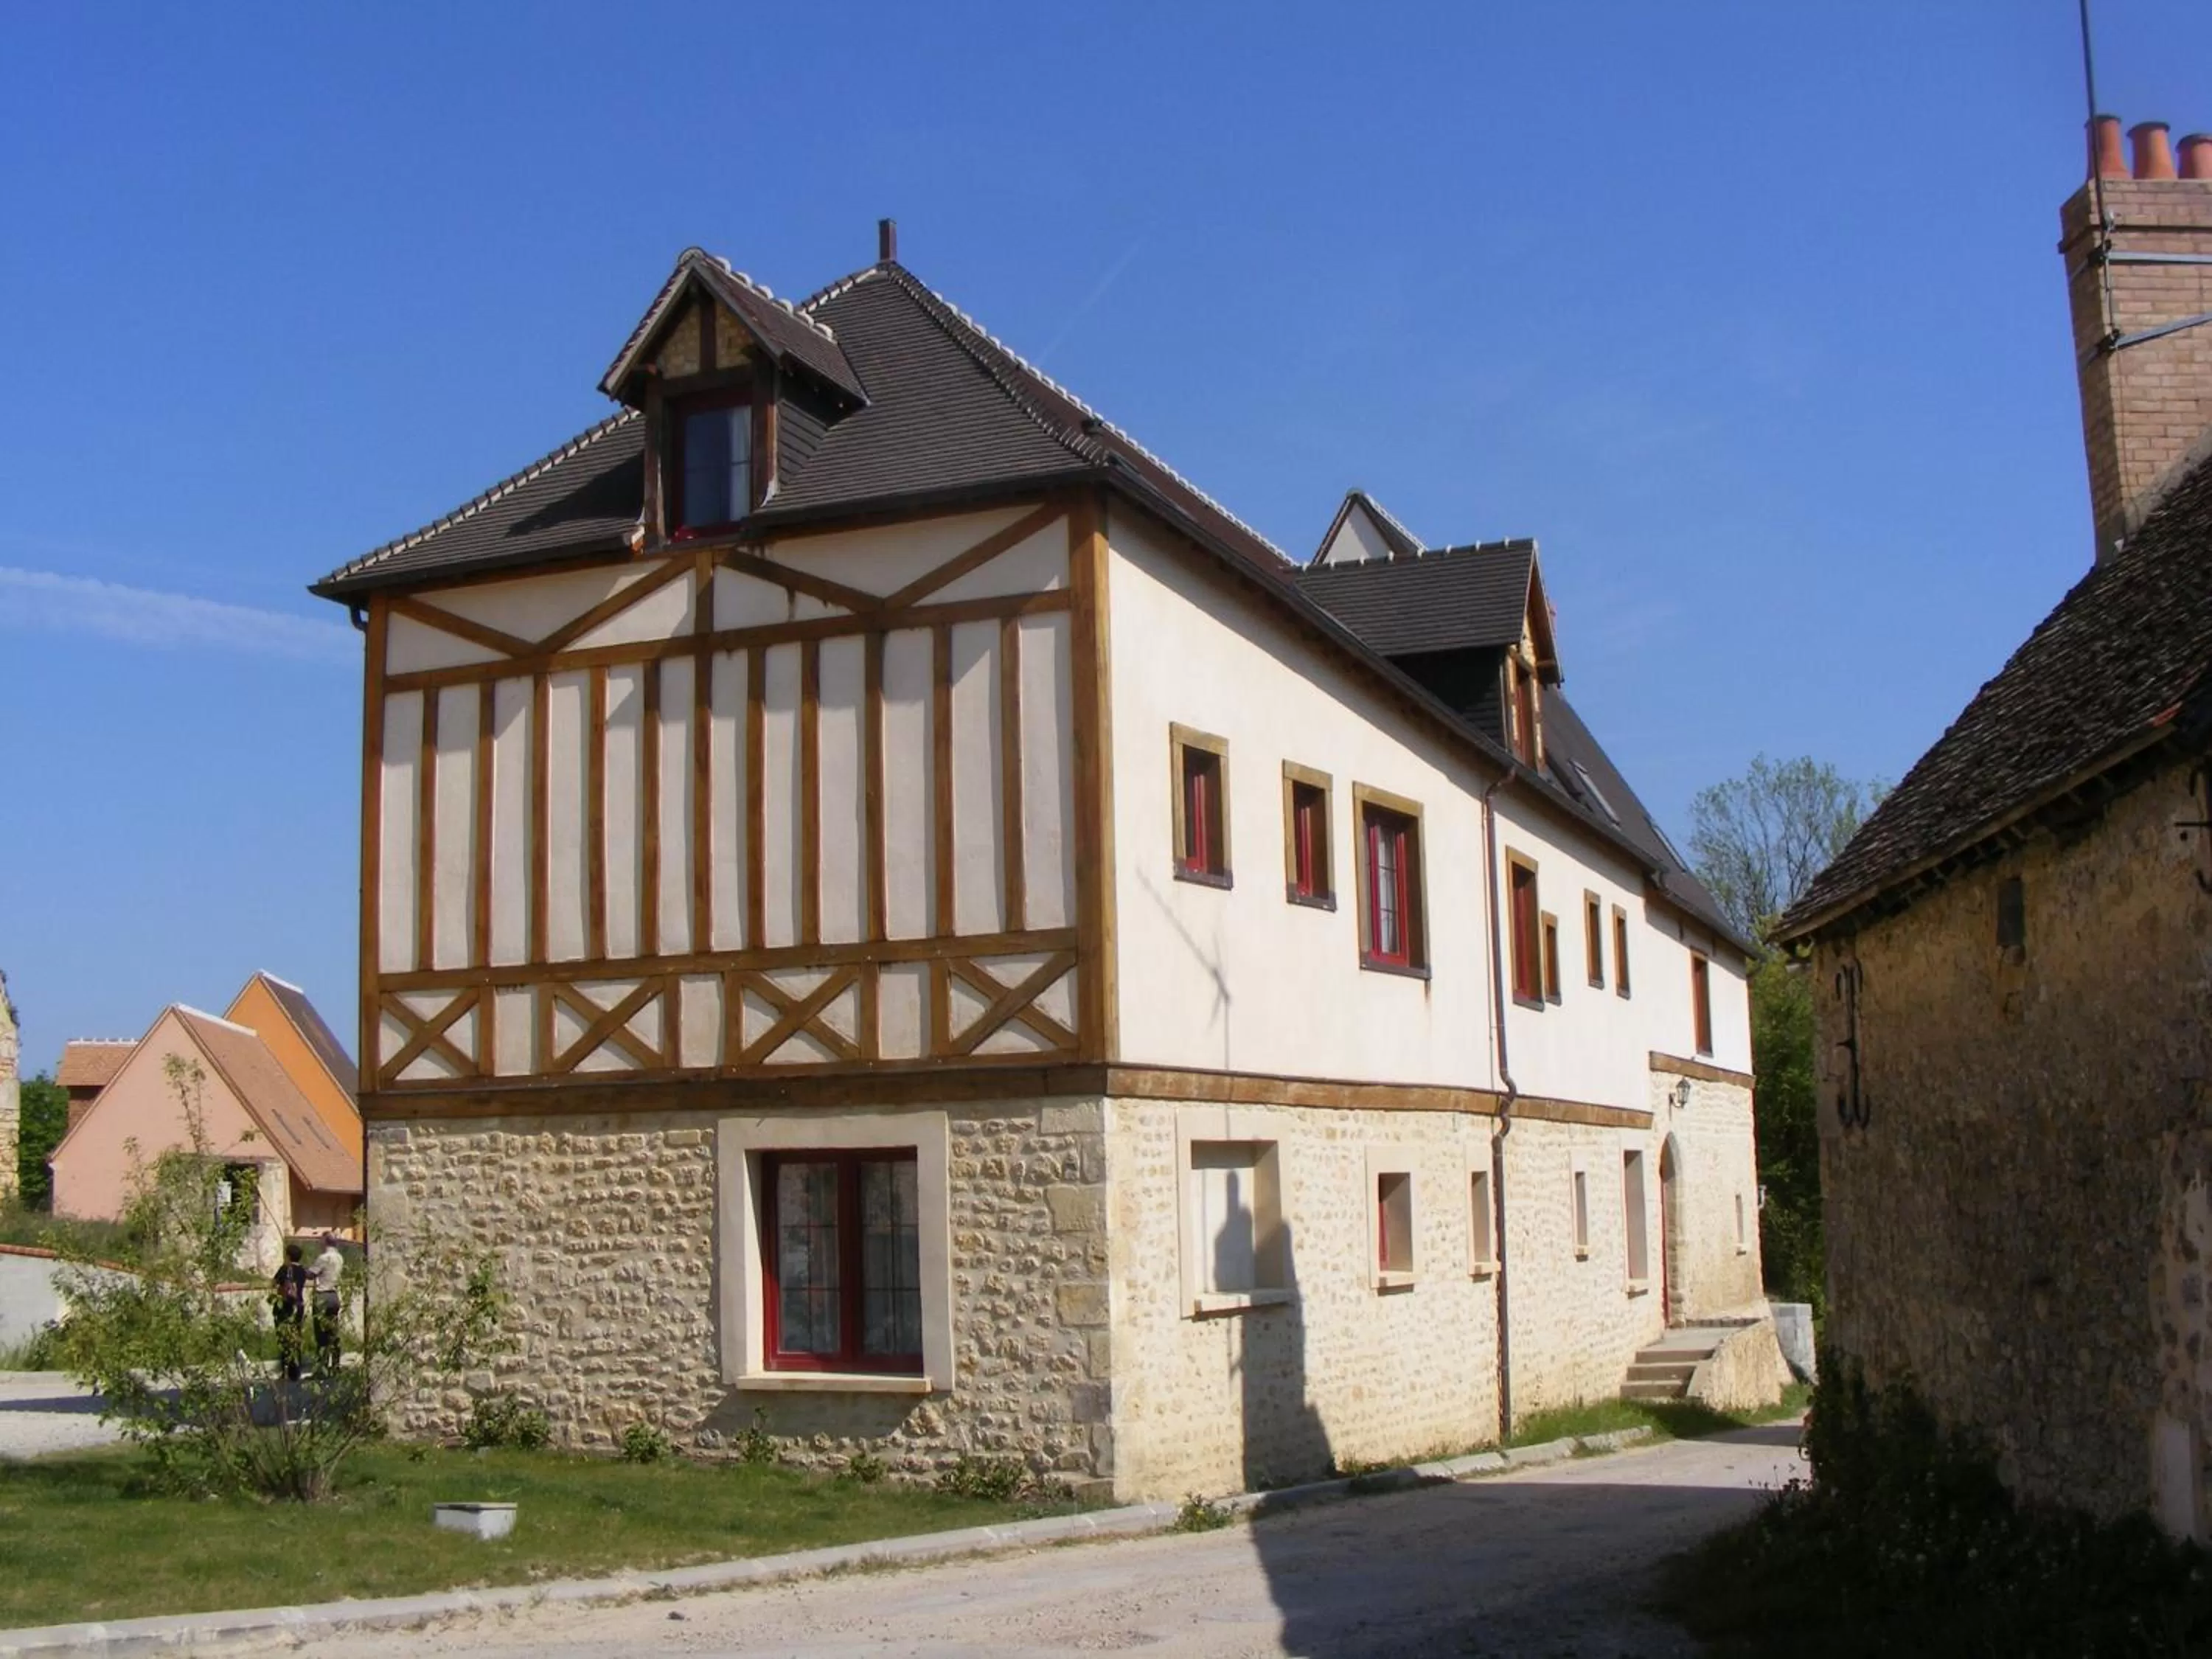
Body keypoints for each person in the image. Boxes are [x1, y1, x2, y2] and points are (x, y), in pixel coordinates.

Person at [271, 1245, 310, 1382]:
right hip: (299, 1306)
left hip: (285, 1307)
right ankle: (296, 1372)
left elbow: (273, 1283)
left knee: (284, 1339)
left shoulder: (285, 1269)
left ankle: (286, 1371)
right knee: (296, 1338)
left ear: (288, 1256)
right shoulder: (303, 1270)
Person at [310, 1234, 346, 1377]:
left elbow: (311, 1274)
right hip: (334, 1295)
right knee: (333, 1332)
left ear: (325, 1242)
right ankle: (336, 1365)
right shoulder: (339, 1258)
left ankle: (321, 1368)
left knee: (321, 1334)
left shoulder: (324, 1258)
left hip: (322, 1295)